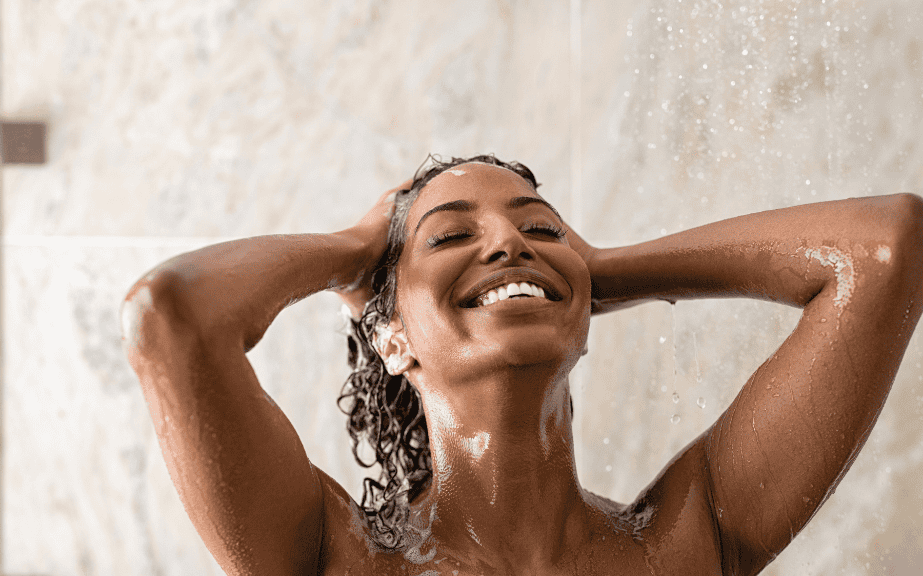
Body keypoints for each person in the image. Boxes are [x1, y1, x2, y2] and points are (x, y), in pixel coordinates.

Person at [120, 154, 923, 575]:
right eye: (449, 236)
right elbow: (173, 317)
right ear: (390, 340)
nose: (507, 242)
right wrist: (356, 258)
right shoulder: (332, 558)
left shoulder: (684, 542)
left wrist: (585, 275)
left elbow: (887, 248)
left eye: (540, 228)